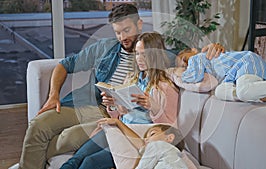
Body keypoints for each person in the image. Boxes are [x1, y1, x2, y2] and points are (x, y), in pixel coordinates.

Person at [13, 3, 224, 169]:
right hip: (90, 103)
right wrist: (53, 95)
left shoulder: (154, 54)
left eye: (127, 30)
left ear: (139, 24)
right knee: (38, 125)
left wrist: (212, 49)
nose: (123, 37)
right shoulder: (104, 47)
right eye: (118, 32)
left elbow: (187, 59)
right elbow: (64, 65)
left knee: (65, 139)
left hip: (115, 115)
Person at [60, 31, 180, 169]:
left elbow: (170, 128)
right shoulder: (132, 78)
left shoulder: (165, 87)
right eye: (137, 53)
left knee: (89, 162)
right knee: (75, 159)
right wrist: (113, 105)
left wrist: (154, 108)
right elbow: (122, 114)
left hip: (135, 137)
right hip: (117, 128)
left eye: (144, 54)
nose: (139, 58)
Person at [181, 50, 266, 109]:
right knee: (219, 92)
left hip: (246, 63)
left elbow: (193, 76)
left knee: (243, 92)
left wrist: (178, 73)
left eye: (183, 58)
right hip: (232, 78)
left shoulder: (197, 58)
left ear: (193, 50)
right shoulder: (207, 64)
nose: (185, 64)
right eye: (182, 64)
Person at [97, 118, 188, 169]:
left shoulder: (160, 146)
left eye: (152, 134)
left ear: (169, 138)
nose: (146, 139)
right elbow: (141, 145)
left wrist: (119, 123)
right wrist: (119, 123)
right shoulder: (174, 157)